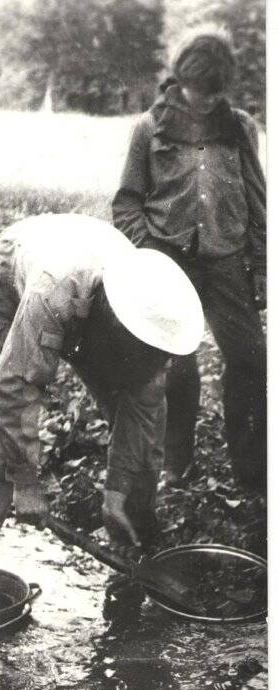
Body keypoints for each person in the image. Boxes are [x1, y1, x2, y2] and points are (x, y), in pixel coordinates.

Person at [0, 213, 203, 566]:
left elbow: (142, 413)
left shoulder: (154, 327)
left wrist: (118, 491)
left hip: (90, 285)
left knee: (144, 427)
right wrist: (26, 482)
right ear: (117, 327)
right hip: (14, 273)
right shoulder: (52, 292)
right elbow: (14, 387)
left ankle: (132, 535)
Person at [111, 28, 266, 491]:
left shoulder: (239, 127)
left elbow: (258, 202)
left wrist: (260, 267)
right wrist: (151, 254)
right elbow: (126, 203)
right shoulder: (148, 128)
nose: (204, 102)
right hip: (169, 262)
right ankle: (177, 463)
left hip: (228, 260)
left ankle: (252, 468)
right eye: (198, 91)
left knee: (253, 363)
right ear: (180, 79)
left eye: (214, 93)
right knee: (179, 366)